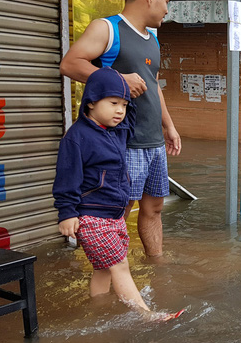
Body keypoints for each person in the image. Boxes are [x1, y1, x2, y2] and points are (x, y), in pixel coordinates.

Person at [59, 0, 180, 258]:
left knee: (154, 208)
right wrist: (116, 79)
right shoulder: (107, 28)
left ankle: (156, 272)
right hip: (122, 143)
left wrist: (169, 126)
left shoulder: (153, 40)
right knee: (116, 211)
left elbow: (153, 86)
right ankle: (114, 280)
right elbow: (70, 64)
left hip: (153, 142)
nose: (167, 10)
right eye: (166, 2)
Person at [52, 68, 183, 320]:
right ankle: (146, 315)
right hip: (93, 217)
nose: (120, 110)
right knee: (120, 267)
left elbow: (131, 115)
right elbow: (66, 180)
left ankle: (98, 310)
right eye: (113, 103)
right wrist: (67, 214)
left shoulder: (118, 131)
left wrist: (126, 88)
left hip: (113, 217)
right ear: (91, 101)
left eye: (123, 104)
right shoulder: (77, 138)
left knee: (103, 269)